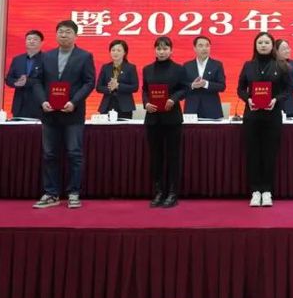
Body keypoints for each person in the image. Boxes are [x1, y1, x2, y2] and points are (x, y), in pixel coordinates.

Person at [32, 19, 95, 209]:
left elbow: (89, 83)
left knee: (74, 154)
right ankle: (51, 193)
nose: (64, 35)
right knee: (49, 154)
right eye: (60, 31)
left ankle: (74, 193)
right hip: (49, 113)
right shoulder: (46, 56)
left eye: (68, 32)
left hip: (72, 114)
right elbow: (37, 81)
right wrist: (42, 101)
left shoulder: (85, 56)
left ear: (76, 36)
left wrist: (74, 102)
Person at [238, 32, 291, 207]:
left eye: (266, 42)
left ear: (272, 45)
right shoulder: (248, 66)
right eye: (260, 42)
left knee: (269, 154)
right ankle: (255, 191)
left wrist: (276, 99)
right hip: (252, 116)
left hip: (272, 116)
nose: (263, 45)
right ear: (255, 45)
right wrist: (248, 99)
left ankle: (267, 191)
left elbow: (288, 90)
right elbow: (240, 89)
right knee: (253, 154)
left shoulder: (280, 65)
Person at [142, 36, 189, 208]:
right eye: (159, 49)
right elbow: (144, 90)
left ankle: (172, 193)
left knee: (173, 156)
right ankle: (159, 192)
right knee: (156, 157)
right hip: (153, 119)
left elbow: (184, 89)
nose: (161, 52)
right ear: (155, 50)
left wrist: (173, 99)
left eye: (165, 48)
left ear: (171, 50)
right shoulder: (147, 69)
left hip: (172, 118)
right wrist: (146, 103)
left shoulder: (179, 69)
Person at [4, 29, 44, 119]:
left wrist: (27, 81)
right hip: (19, 105)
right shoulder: (17, 59)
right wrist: (16, 82)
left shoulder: (47, 59)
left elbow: (48, 80)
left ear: (42, 43)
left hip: (39, 105)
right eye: (29, 39)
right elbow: (9, 78)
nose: (31, 41)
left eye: (35, 39)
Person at [183, 35, 226, 119]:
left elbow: (222, 86)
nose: (204, 48)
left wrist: (206, 84)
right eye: (200, 46)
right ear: (194, 48)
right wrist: (192, 85)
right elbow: (182, 86)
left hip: (212, 109)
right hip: (191, 109)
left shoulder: (217, 65)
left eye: (207, 46)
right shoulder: (187, 66)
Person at [95, 39, 138, 119]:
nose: (115, 53)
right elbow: (98, 87)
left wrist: (118, 86)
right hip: (107, 105)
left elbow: (135, 87)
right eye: (113, 50)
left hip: (125, 107)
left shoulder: (130, 68)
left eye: (119, 50)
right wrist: (110, 88)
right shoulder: (105, 67)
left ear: (124, 52)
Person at [275, 38, 293, 119]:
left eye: (288, 48)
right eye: (284, 49)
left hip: (290, 105)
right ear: (276, 51)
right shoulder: (271, 64)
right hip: (274, 104)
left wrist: (287, 70)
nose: (287, 51)